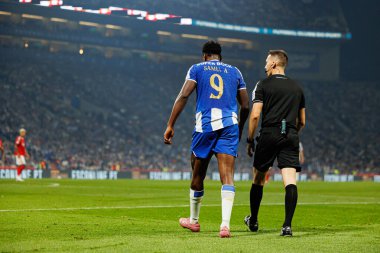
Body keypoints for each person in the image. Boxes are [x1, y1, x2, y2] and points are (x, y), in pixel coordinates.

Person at [164, 41, 249, 238]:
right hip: (230, 127)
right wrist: (240, 128)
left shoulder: (197, 68)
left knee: (197, 174)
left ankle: (194, 221)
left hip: (205, 127)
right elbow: (245, 105)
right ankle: (225, 226)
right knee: (227, 176)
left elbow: (184, 95)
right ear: (220, 57)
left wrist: (170, 125)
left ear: (204, 56)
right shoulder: (235, 71)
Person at [244, 50, 306, 236]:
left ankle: (253, 220)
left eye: (266, 62)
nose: (264, 65)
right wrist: (292, 133)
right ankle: (287, 226)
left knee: (258, 178)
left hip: (269, 133)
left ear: (273, 64)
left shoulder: (262, 84)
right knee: (290, 181)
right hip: (290, 135)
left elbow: (255, 115)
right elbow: (302, 121)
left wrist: (249, 139)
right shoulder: (297, 88)